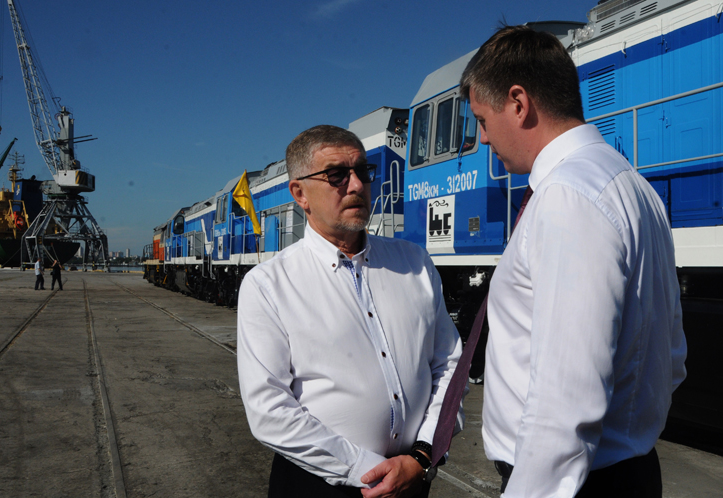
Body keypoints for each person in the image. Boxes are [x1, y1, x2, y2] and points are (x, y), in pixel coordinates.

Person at [458, 25, 687, 497]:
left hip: (576, 484)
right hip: (625, 470)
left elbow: (565, 401)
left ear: (518, 103)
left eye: (482, 118)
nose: (482, 139)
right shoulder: (633, 186)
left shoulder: (566, 196)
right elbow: (673, 359)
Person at [237, 125, 463, 498]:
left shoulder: (415, 265)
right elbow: (269, 409)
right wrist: (365, 471)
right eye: (337, 175)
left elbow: (450, 367)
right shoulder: (268, 285)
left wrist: (422, 455)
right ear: (300, 193)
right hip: (319, 486)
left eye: (363, 171)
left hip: (412, 479)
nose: (356, 185)